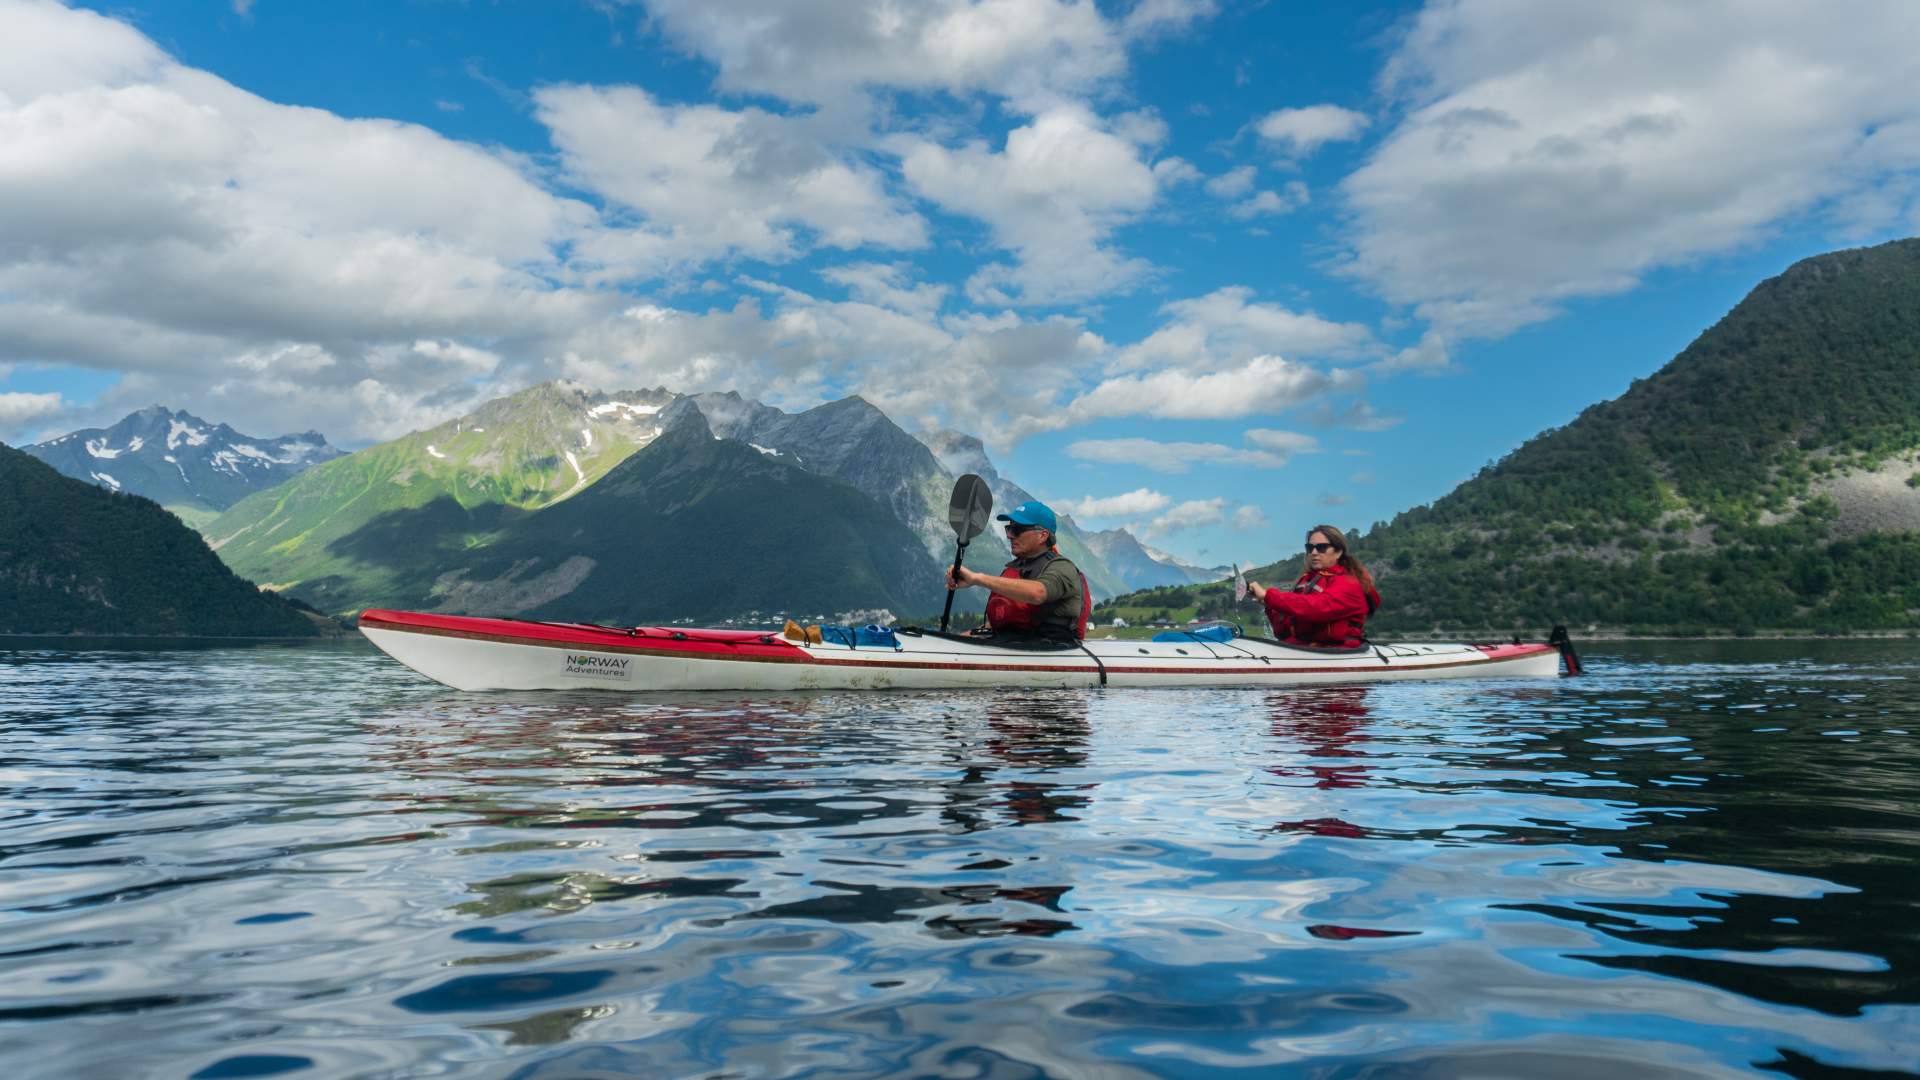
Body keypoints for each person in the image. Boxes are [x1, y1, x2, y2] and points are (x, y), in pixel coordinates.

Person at [946, 500, 1090, 643]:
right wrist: (952, 642)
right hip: (1011, 647)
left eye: (1018, 530)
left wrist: (977, 579)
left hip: (1050, 652)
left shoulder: (1062, 567)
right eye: (1009, 529)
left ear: (1043, 535)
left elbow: (1037, 593)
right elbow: (1002, 624)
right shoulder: (1014, 568)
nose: (1009, 535)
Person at [1248, 524, 1381, 648]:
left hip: (1336, 651)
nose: (1314, 552)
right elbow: (1283, 629)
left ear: (1338, 552)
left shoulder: (1350, 584)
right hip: (1305, 649)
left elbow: (1316, 607)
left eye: (1321, 547)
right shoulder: (1308, 580)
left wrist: (1268, 596)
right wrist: (1268, 604)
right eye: (1309, 548)